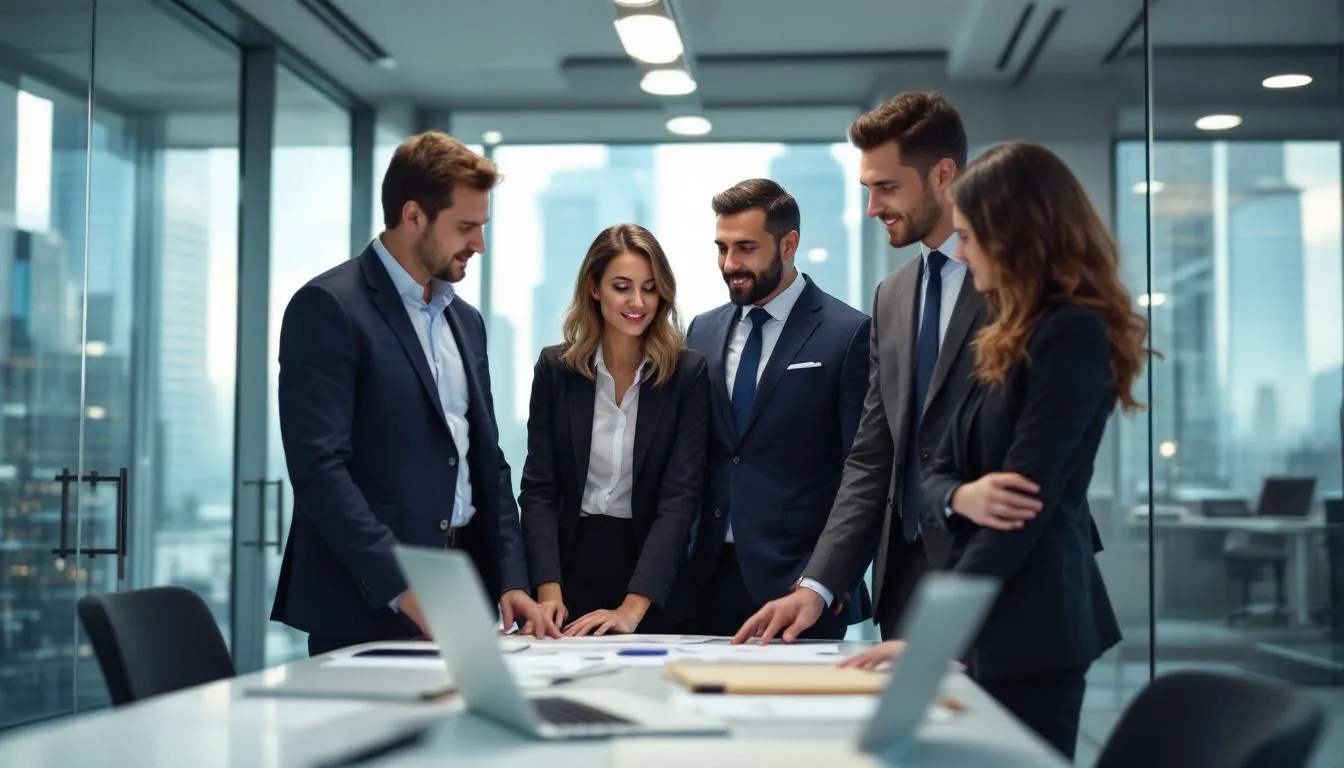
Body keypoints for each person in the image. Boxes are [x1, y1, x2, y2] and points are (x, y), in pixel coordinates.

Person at [839, 141, 1140, 760]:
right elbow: (933, 473)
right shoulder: (1004, 330)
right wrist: (962, 494)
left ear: (1017, 235)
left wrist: (937, 637)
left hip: (1034, 628)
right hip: (979, 615)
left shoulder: (1071, 332)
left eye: (973, 237)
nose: (964, 251)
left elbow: (1019, 507)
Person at [272, 131, 558, 656]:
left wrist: (511, 580)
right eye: (466, 227)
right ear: (413, 216)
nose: (479, 244)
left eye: (482, 227)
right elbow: (320, 469)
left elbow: (485, 460)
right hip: (366, 605)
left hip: (463, 595)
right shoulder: (328, 307)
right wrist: (403, 587)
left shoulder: (465, 321)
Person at [734, 92, 986, 644]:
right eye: (868, 189)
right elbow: (873, 456)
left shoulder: (1013, 280)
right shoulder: (893, 295)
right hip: (911, 587)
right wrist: (816, 585)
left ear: (943, 174)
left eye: (887, 187)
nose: (873, 207)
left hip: (1007, 587)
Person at [685, 178, 872, 640]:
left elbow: (863, 471)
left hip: (798, 590)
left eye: (745, 248)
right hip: (701, 583)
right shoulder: (702, 331)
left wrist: (826, 579)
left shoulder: (848, 333)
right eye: (722, 248)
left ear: (789, 244)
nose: (730, 265)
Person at [518, 224, 709, 637]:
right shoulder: (556, 369)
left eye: (650, 288)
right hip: (567, 574)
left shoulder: (687, 373)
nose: (638, 302)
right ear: (594, 287)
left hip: (652, 581)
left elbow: (680, 499)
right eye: (622, 287)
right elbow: (540, 490)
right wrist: (548, 592)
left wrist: (630, 609)